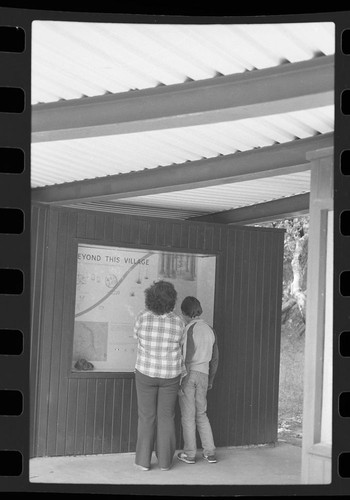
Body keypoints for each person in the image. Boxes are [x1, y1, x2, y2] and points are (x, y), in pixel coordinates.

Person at [133, 280, 186, 471]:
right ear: (172, 301)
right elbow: (181, 345)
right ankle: (165, 463)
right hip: (170, 374)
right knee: (166, 417)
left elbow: (136, 337)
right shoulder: (179, 321)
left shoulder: (142, 318)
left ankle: (143, 462)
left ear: (150, 298)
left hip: (146, 372)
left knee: (146, 416)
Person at [177, 296, 219, 465]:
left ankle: (190, 454)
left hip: (190, 374)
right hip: (204, 375)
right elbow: (215, 359)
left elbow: (187, 356)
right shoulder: (210, 329)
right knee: (202, 414)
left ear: (185, 313)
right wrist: (211, 379)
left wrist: (182, 380)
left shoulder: (189, 329)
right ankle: (210, 452)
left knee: (188, 416)